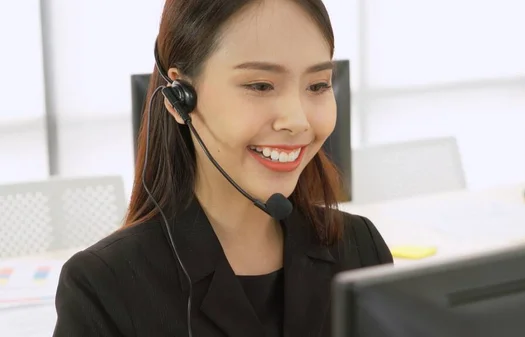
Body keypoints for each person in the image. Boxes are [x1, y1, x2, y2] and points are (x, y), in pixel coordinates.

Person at [52, 0, 393, 336]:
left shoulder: (360, 247)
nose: (298, 120)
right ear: (179, 97)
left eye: (318, 85)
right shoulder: (103, 288)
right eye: (260, 85)